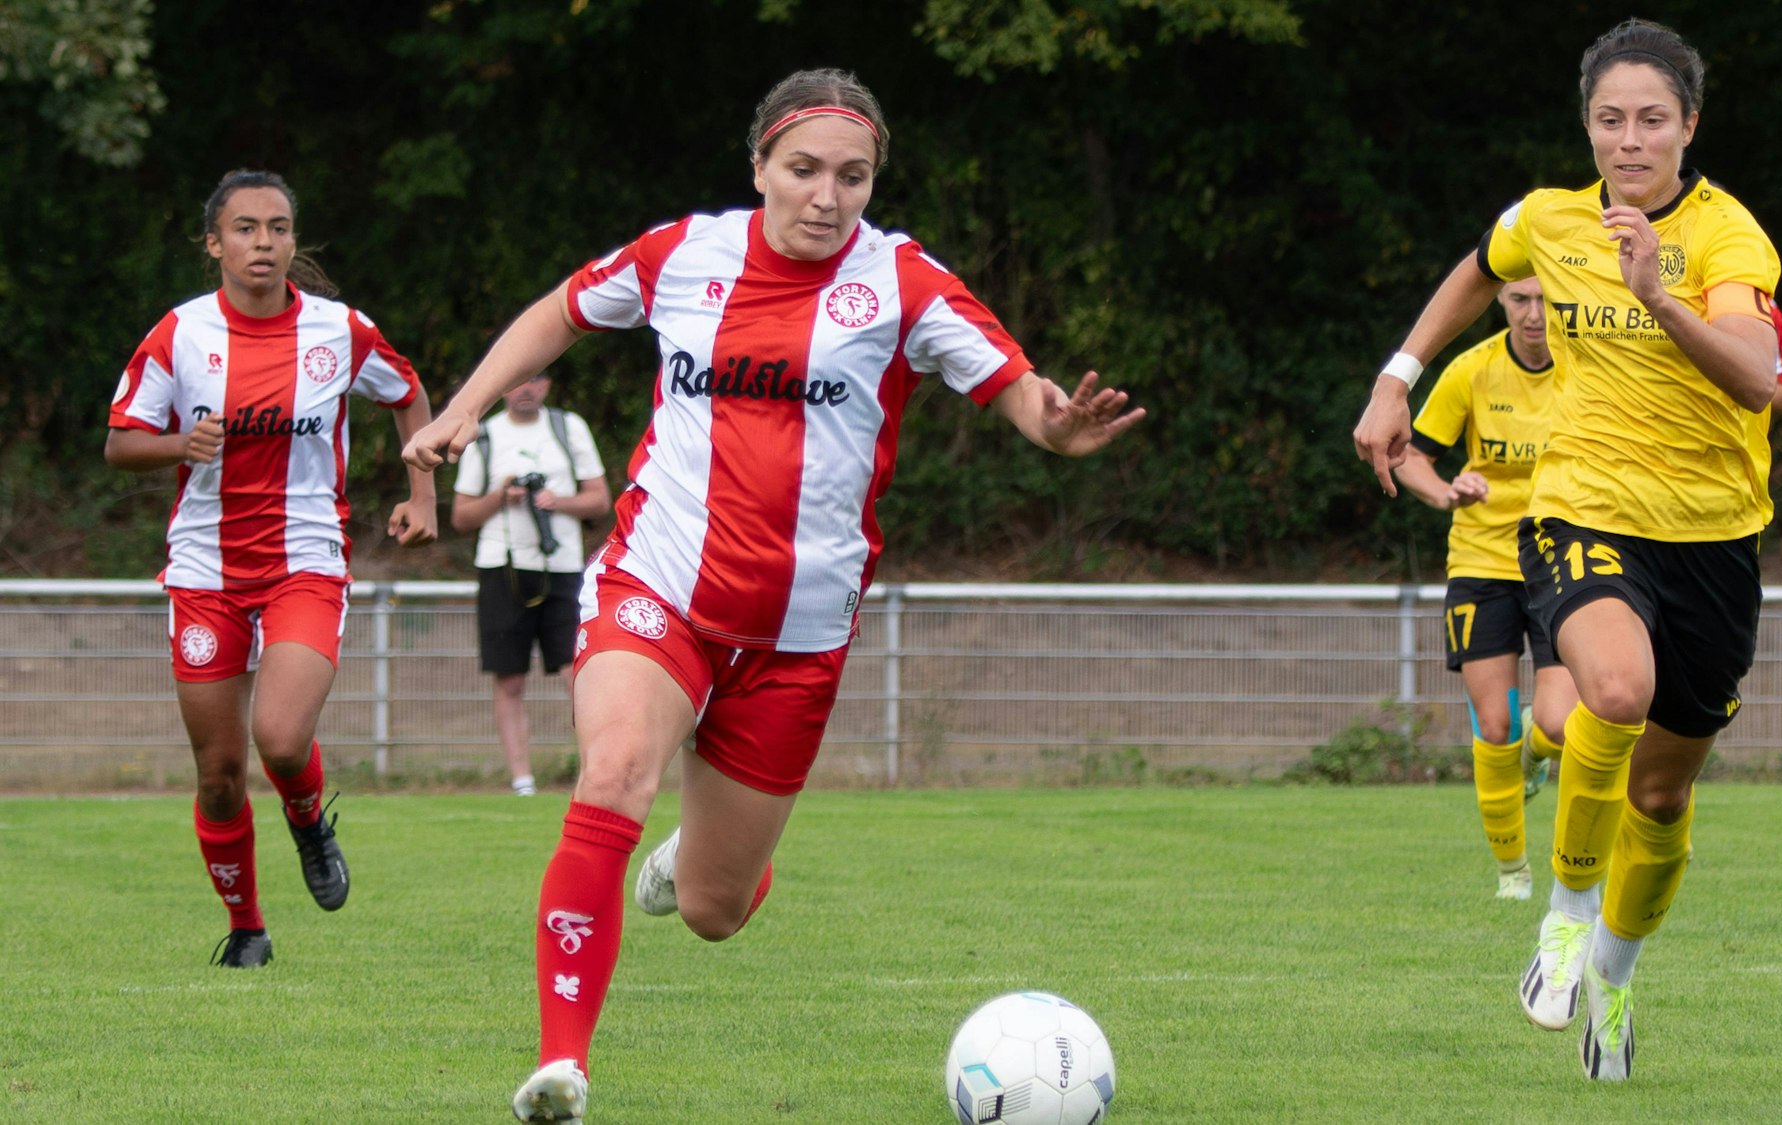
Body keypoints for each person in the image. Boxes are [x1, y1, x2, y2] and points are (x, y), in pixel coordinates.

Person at [402, 68, 1144, 1122]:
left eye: (853, 175)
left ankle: (692, 860)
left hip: (796, 638)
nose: (826, 195)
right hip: (659, 587)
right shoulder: (682, 255)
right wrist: (466, 409)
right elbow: (557, 313)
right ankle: (561, 1063)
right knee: (613, 770)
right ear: (757, 168)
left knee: (712, 909)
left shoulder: (903, 284)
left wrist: (1056, 428)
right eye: (802, 170)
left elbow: (1018, 387)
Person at [1353, 19, 1780, 1081]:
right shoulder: (1546, 218)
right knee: (1615, 691)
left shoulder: (1730, 238)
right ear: (1584, 125)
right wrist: (1397, 377)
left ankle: (1614, 977)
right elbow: (1471, 267)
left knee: (1663, 797)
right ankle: (1562, 913)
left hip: (1714, 538)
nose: (1626, 140)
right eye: (1606, 119)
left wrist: (1652, 295)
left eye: (1649, 120)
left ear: (1687, 126)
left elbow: (1756, 376)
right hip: (1581, 508)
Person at [106, 169, 438, 969]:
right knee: (219, 773)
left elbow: (409, 392)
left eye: (279, 227)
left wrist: (422, 491)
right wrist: (177, 444)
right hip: (204, 571)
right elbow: (119, 442)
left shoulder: (339, 330)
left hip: (306, 561)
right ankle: (248, 928)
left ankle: (306, 821)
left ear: (294, 240)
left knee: (282, 738)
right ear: (214, 243)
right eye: (247, 228)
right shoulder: (179, 335)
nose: (264, 242)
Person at [1392, 277, 1579, 902]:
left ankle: (1538, 755)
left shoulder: (1589, 368)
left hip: (1562, 560)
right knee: (1494, 725)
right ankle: (1512, 872)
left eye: (1547, 299)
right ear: (1499, 301)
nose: (1534, 314)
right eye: (1519, 299)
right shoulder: (1472, 371)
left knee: (1554, 726)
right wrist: (1445, 491)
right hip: (1482, 561)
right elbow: (1409, 454)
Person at [450, 369, 611, 796]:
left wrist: (556, 501)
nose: (527, 388)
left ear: (548, 385)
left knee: (574, 669)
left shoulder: (567, 426)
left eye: (537, 379)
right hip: (502, 566)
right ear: (503, 385)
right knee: (510, 677)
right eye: (518, 379)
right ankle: (522, 780)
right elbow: (461, 517)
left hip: (561, 565)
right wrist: (501, 495)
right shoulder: (483, 436)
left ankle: (597, 770)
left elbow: (599, 499)